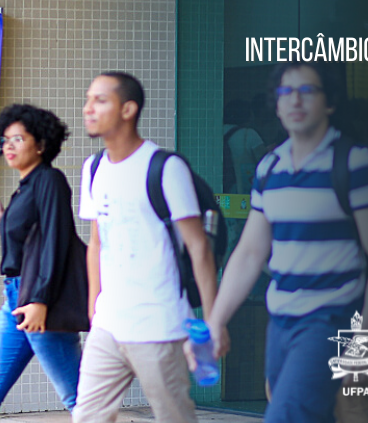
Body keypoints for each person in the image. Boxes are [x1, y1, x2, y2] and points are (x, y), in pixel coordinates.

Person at [200, 61, 368, 422]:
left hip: (334, 318)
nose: (295, 100)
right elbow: (249, 253)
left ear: (329, 102)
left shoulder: (358, 164)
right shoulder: (270, 167)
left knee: (293, 413)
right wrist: (216, 321)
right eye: (286, 91)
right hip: (281, 320)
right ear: (276, 104)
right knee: (311, 407)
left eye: (307, 90)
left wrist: (364, 336)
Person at [72, 71, 228, 423]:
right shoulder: (93, 168)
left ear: (128, 110)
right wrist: (94, 307)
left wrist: (213, 321)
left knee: (174, 417)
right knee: (87, 417)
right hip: (108, 325)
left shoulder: (165, 168)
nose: (88, 108)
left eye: (100, 100)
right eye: (88, 99)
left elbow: (199, 248)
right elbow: (96, 242)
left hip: (159, 325)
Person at [0, 104, 82, 423]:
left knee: (79, 399)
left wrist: (40, 301)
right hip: (15, 298)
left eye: (19, 139)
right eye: (5, 140)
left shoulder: (50, 181)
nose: (9, 146)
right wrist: (1, 216)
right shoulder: (25, 186)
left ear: (40, 144)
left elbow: (56, 242)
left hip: (39, 300)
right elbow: (30, 239)